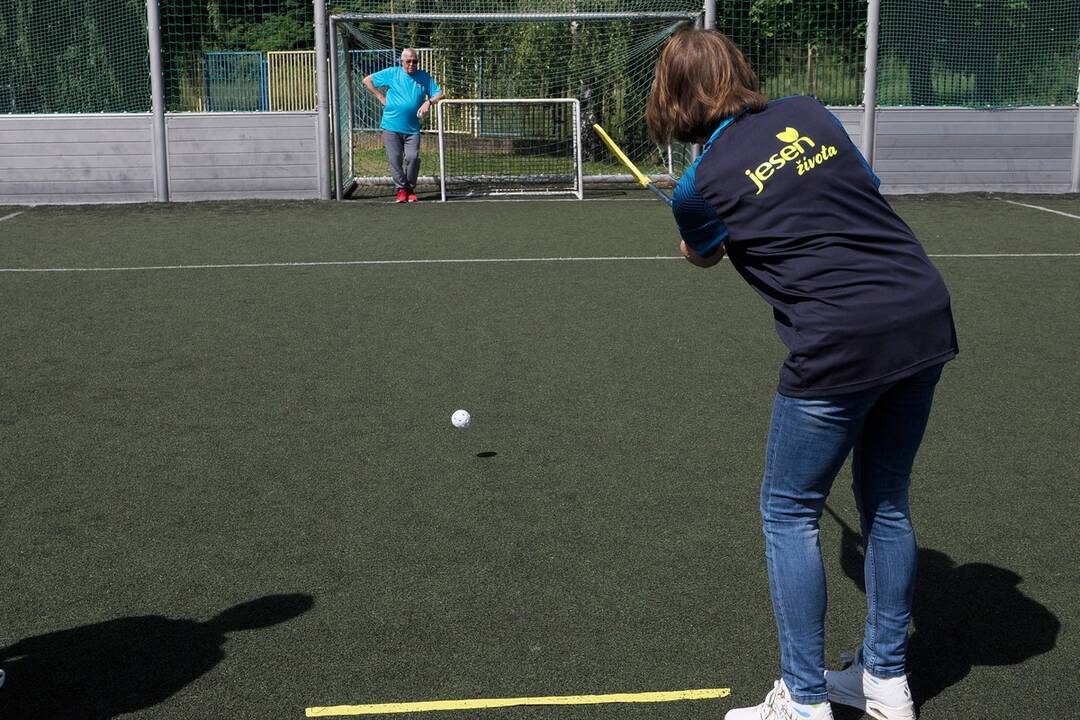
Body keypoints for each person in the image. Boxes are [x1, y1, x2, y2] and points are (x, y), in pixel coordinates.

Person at [644, 28, 958, 720]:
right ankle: (884, 681)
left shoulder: (698, 187)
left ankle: (804, 700)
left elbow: (703, 255)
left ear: (675, 97)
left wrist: (691, 226)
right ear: (736, 71)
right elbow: (860, 188)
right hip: (921, 314)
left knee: (788, 512)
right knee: (886, 500)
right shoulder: (810, 112)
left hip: (840, 342)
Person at [363, 48, 444, 203]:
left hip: (412, 129)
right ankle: (401, 189)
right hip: (391, 125)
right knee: (395, 158)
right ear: (402, 62)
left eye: (415, 61)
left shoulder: (424, 77)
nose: (411, 64)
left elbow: (439, 94)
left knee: (413, 157)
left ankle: (410, 188)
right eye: (408, 61)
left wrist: (428, 102)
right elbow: (367, 80)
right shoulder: (392, 73)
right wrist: (380, 97)